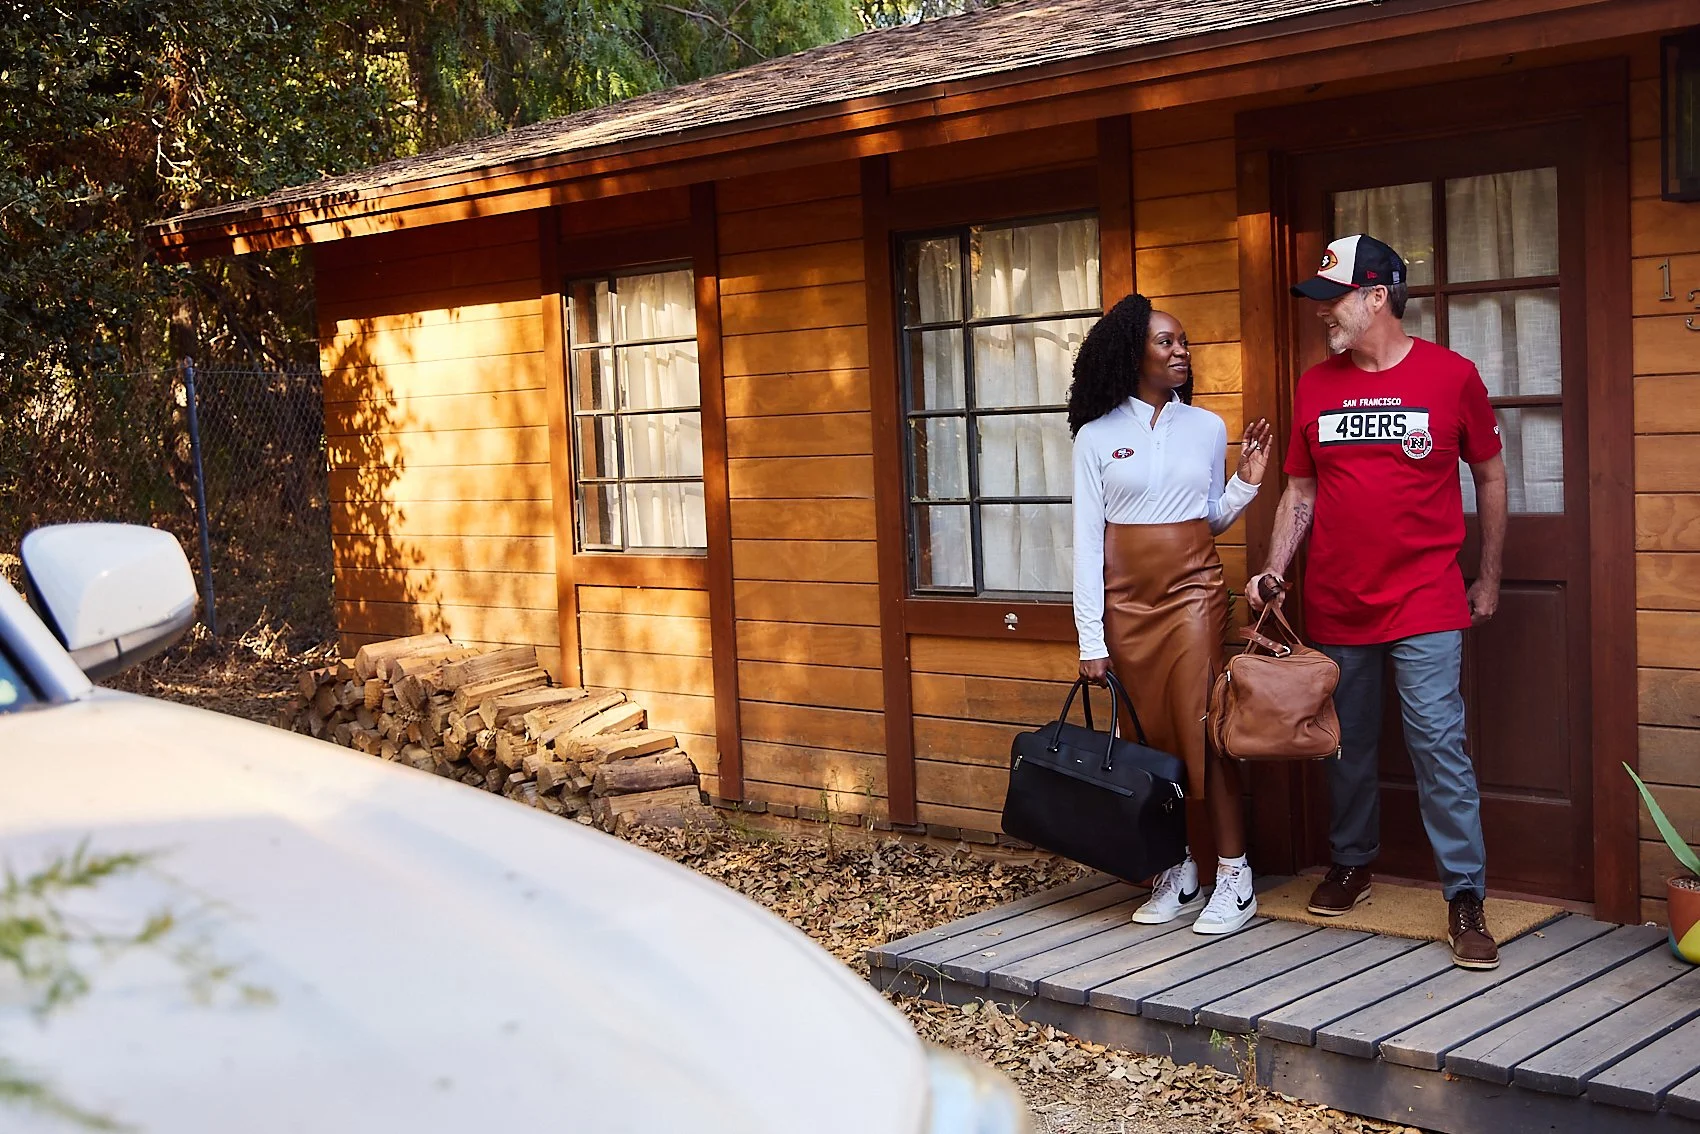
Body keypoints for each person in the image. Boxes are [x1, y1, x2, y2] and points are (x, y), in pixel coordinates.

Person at [1248, 234, 1509, 970]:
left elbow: (1489, 477)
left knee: (1438, 746)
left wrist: (1487, 576)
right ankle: (1353, 862)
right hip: (1336, 601)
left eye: (1333, 299)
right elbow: (1300, 491)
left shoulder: (1451, 377)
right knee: (1346, 744)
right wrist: (1273, 571)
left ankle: (1464, 895)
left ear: (1376, 296)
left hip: (1427, 600)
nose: (1322, 313)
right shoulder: (1315, 384)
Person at [1069, 293, 1273, 936]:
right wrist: (1090, 638)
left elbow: (1206, 516)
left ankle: (1235, 878)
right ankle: (1178, 869)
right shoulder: (1096, 437)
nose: (1181, 351)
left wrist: (1246, 483)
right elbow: (1086, 540)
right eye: (1166, 342)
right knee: (1146, 742)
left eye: (1183, 342)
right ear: (1133, 353)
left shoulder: (1207, 428)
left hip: (1193, 594)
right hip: (1125, 605)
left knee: (1205, 732)